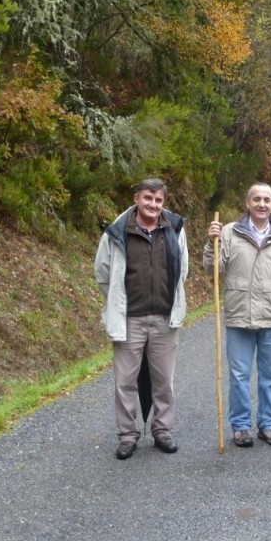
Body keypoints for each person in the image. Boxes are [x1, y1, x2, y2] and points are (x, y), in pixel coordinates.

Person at [95, 178, 189, 459]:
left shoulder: (174, 229)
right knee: (124, 382)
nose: (153, 204)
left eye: (158, 200)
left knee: (164, 381)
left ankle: (163, 430)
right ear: (136, 198)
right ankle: (127, 435)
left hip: (164, 317)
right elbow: (102, 273)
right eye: (148, 198)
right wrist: (116, 300)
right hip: (129, 319)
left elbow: (182, 269)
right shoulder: (117, 231)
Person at [204, 183, 271, 448]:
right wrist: (211, 243)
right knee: (238, 376)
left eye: (267, 200)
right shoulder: (228, 232)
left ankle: (268, 425)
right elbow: (214, 269)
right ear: (247, 203)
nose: (262, 204)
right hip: (239, 317)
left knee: (270, 377)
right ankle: (241, 427)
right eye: (257, 199)